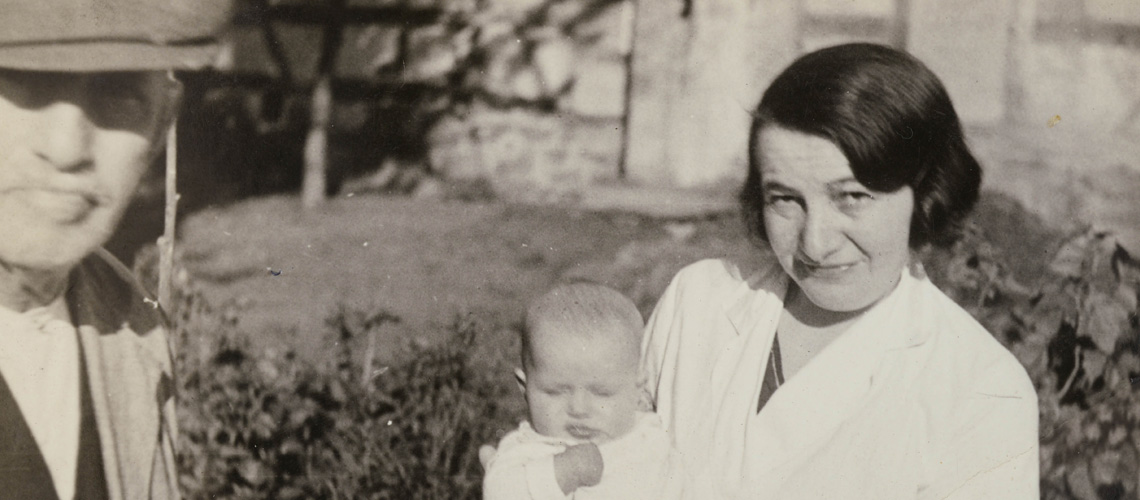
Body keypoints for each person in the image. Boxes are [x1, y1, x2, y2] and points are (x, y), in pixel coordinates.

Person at [641, 43, 1039, 499]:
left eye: (851, 197)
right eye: (785, 199)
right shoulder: (698, 303)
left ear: (926, 194)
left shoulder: (981, 390)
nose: (816, 242)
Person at [0, 1, 232, 499]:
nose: (67, 148)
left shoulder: (134, 332)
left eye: (118, 93)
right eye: (17, 80)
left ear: (159, 128)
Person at [483, 283, 686, 500]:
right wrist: (560, 473)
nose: (578, 409)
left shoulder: (648, 438)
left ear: (638, 390)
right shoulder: (527, 449)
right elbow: (499, 491)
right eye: (555, 392)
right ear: (525, 388)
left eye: (602, 393)